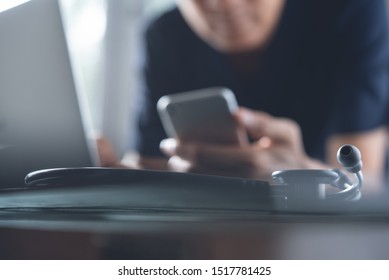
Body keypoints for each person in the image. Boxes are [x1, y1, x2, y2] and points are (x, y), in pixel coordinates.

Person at [102, 0, 389, 192]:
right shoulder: (164, 35)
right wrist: (111, 173)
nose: (225, 4)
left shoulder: (353, 11)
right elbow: (152, 162)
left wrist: (305, 179)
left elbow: (367, 185)